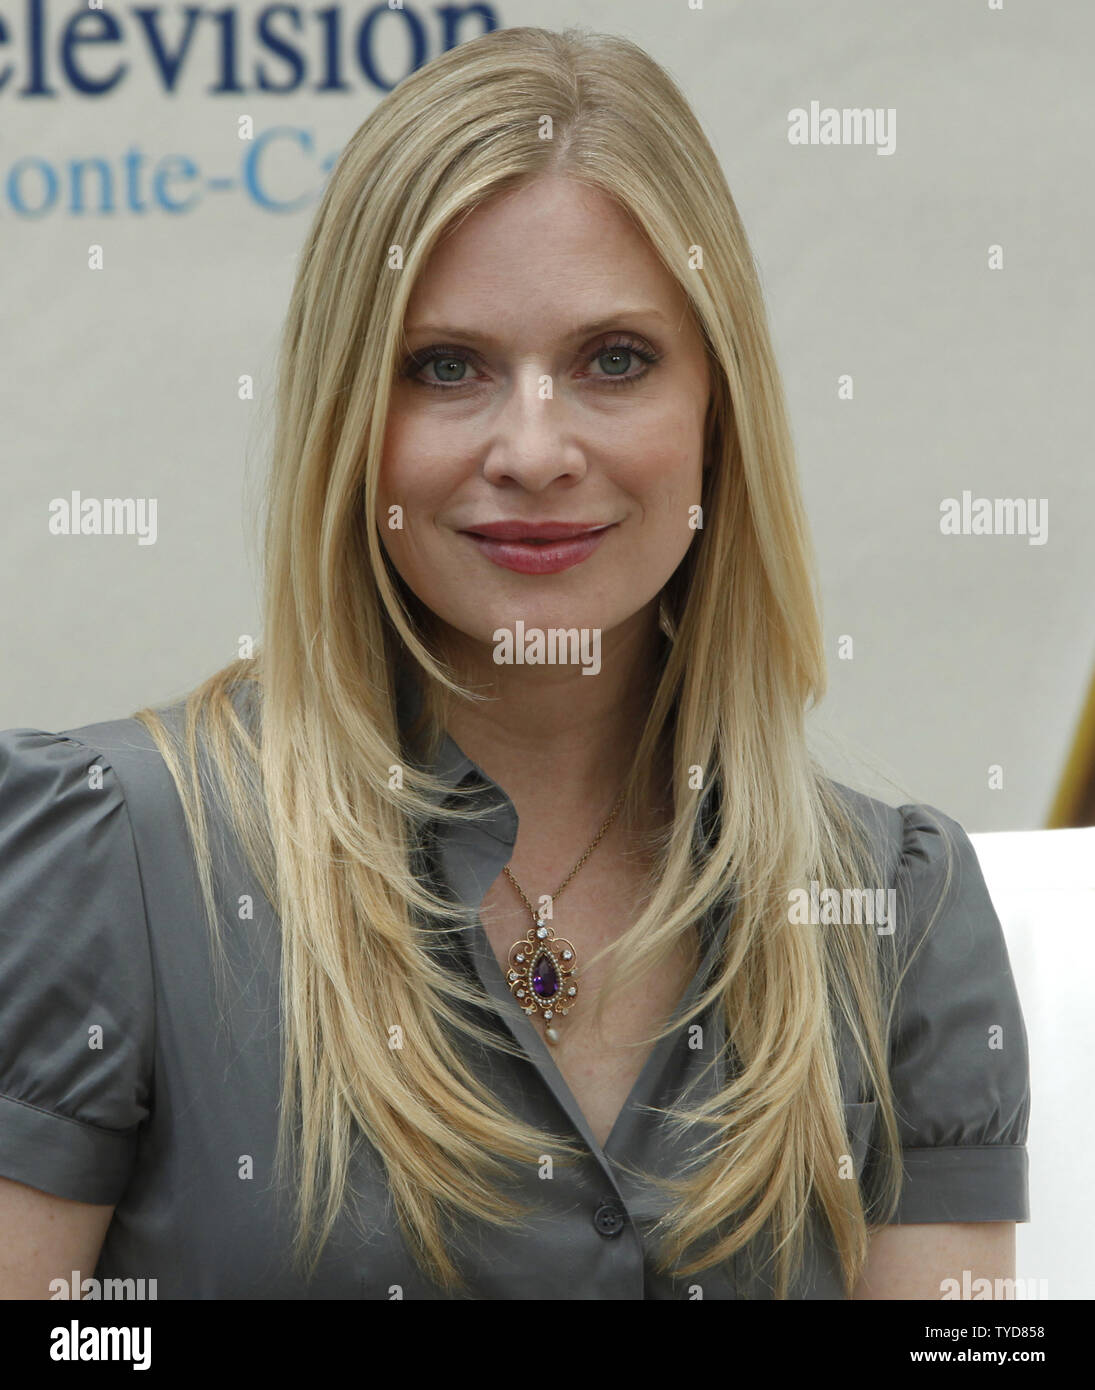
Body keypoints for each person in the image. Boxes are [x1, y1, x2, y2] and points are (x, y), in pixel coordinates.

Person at [0, 25, 1028, 1300]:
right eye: (447, 367)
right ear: (349, 420)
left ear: (719, 408)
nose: (533, 450)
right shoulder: (111, 852)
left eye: (614, 360)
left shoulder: (899, 920)